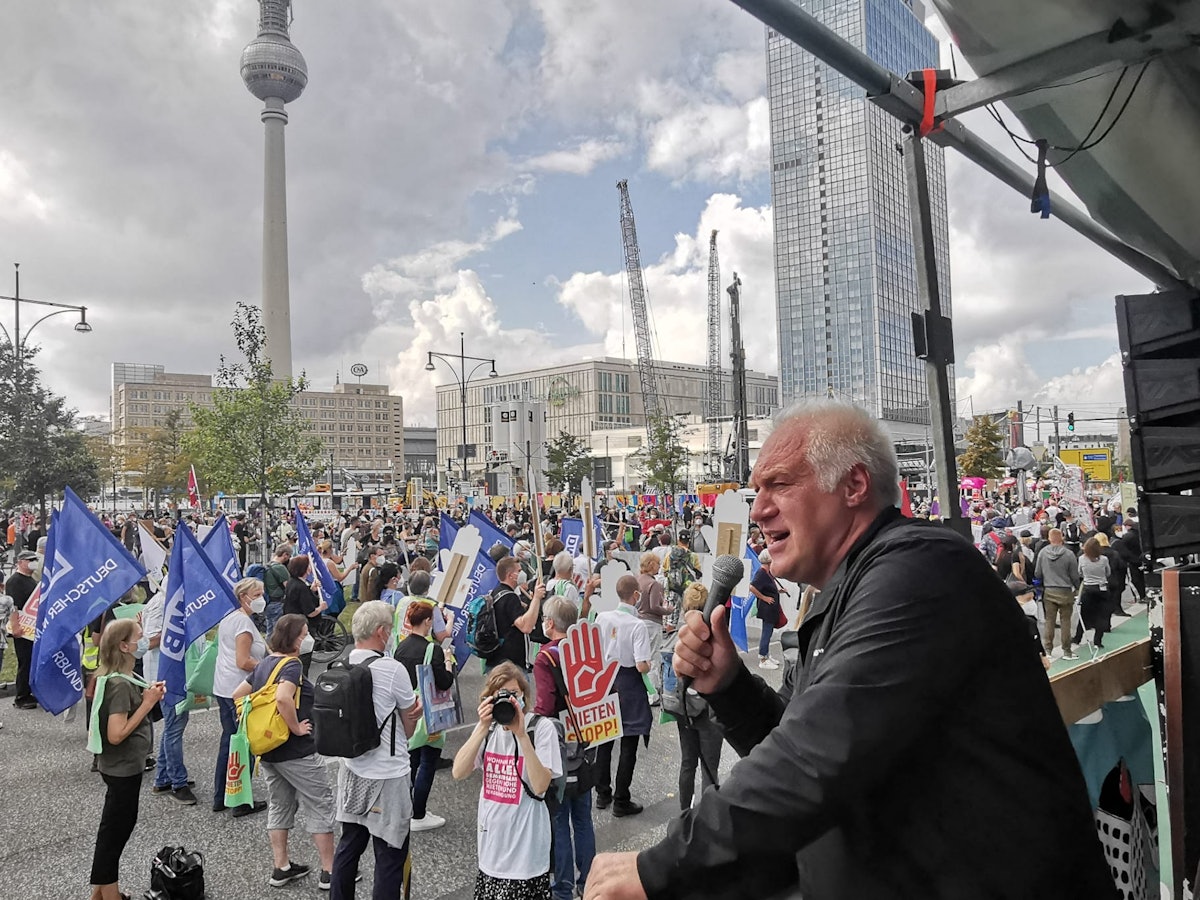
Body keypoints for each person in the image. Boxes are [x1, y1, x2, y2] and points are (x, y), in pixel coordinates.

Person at [586, 400, 1114, 900]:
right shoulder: (842, 592)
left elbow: (811, 765)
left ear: (854, 484)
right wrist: (730, 686)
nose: (760, 510)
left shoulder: (918, 572)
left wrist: (657, 869)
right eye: (757, 491)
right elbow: (801, 745)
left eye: (779, 485)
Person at [232, 614, 336, 888]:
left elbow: (238, 694)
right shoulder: (291, 666)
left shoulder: (265, 663)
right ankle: (330, 870)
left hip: (268, 749)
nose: (307, 638)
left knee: (280, 805)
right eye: (304, 633)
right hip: (295, 750)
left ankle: (281, 866)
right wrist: (295, 727)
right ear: (295, 637)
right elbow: (282, 697)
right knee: (320, 802)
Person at [329, 601, 422, 898]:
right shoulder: (393, 670)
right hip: (388, 775)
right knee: (389, 857)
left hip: (353, 771)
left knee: (348, 847)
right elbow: (408, 728)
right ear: (382, 633)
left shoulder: (343, 666)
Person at [452, 661, 562, 900]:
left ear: (524, 695)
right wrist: (481, 727)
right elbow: (458, 772)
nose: (509, 701)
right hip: (491, 852)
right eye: (501, 695)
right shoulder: (488, 731)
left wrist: (522, 735)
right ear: (489, 699)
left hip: (527, 858)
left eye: (514, 694)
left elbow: (541, 785)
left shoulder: (540, 729)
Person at [89, 619, 167, 900]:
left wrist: (150, 697)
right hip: (122, 770)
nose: (144, 641)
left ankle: (101, 894)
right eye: (139, 637)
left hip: (124, 768)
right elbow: (116, 734)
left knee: (115, 831)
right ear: (124, 646)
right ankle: (110, 895)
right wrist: (147, 703)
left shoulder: (123, 677)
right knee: (113, 835)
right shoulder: (119, 685)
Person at [533, 596, 596, 900]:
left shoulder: (547, 657)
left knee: (559, 819)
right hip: (585, 736)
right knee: (583, 817)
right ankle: (589, 881)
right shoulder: (584, 651)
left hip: (556, 742)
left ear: (550, 623)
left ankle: (562, 888)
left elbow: (544, 705)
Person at [592, 574, 653, 817]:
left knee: (604, 740)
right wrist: (650, 665)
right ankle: (621, 799)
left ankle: (602, 793)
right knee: (629, 743)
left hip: (605, 681)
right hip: (628, 683)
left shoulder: (602, 617)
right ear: (635, 595)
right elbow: (641, 665)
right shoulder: (637, 625)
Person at [395, 601, 455, 832]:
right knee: (429, 762)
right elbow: (444, 682)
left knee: (411, 760)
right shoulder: (433, 650)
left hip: (408, 709)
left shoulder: (402, 647)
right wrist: (448, 662)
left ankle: (405, 808)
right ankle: (418, 813)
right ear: (428, 622)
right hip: (430, 711)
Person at [212, 577, 268, 816]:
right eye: (256, 595)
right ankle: (240, 800)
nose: (261, 599)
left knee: (230, 741)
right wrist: (268, 668)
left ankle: (221, 796)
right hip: (239, 688)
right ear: (244, 597)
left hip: (224, 686)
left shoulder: (230, 618)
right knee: (242, 745)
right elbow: (243, 661)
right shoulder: (244, 624)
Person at [664, 582, 722, 811]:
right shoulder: (713, 634)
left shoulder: (678, 631)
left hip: (683, 707)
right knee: (710, 767)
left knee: (688, 763)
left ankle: (684, 813)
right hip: (709, 709)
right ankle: (707, 817)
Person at [482, 557, 546, 672]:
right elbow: (526, 626)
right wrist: (536, 598)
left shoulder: (495, 592)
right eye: (519, 571)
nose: (522, 574)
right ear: (510, 575)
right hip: (510, 664)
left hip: (496, 659)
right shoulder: (510, 598)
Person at [1035, 527, 1081, 659]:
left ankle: (1048, 650)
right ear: (1062, 537)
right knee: (1065, 621)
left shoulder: (1043, 553)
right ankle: (1067, 651)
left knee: (1049, 621)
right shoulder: (1069, 554)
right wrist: (1077, 588)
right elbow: (1074, 575)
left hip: (1049, 590)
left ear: (1049, 538)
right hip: (1065, 591)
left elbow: (1037, 573)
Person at [6, 550, 40, 709]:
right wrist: (15, 626)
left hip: (32, 628)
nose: (33, 562)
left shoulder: (31, 580)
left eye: (35, 559)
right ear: (20, 562)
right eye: (30, 560)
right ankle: (21, 697)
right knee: (24, 661)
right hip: (22, 629)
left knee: (31, 660)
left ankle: (30, 691)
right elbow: (14, 606)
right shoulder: (15, 581)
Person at [634, 554, 671, 695]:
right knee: (653, 659)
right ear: (651, 564)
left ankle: (643, 689)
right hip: (652, 622)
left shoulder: (637, 579)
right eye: (657, 563)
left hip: (637, 620)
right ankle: (652, 692)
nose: (659, 566)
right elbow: (654, 606)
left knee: (640, 657)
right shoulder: (654, 584)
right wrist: (668, 610)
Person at [748, 549, 786, 669]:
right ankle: (763, 658)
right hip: (767, 608)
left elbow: (766, 587)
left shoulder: (767, 573)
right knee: (766, 633)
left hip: (771, 608)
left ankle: (767, 654)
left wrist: (778, 591)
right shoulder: (762, 573)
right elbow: (752, 587)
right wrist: (764, 598)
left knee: (768, 633)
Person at [1076, 537, 1113, 649]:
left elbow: (1080, 572)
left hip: (1088, 588)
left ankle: (1078, 637)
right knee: (1101, 616)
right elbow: (1108, 572)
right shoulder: (1104, 559)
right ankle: (1098, 641)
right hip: (1102, 589)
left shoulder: (1082, 559)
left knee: (1084, 614)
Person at [263, 544, 292, 635]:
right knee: (278, 632)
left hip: (268, 602)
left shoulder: (268, 566)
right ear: (285, 555)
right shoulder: (280, 568)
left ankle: (268, 648)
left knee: (270, 630)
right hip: (278, 603)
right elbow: (288, 586)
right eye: (289, 556)